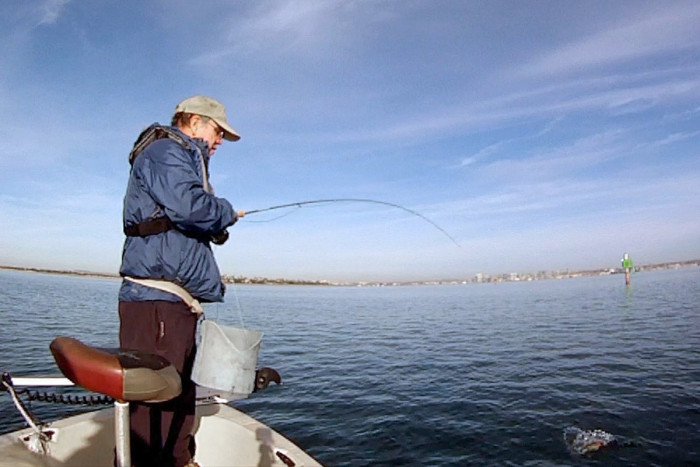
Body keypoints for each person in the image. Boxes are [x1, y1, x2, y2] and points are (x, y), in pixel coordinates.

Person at [118, 95, 244, 467]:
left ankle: (179, 461)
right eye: (218, 131)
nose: (220, 140)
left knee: (178, 392)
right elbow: (190, 208)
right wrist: (223, 211)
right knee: (151, 400)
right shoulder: (165, 151)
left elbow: (187, 213)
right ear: (193, 120)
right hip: (154, 300)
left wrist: (215, 222)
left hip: (176, 303)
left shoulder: (186, 160)